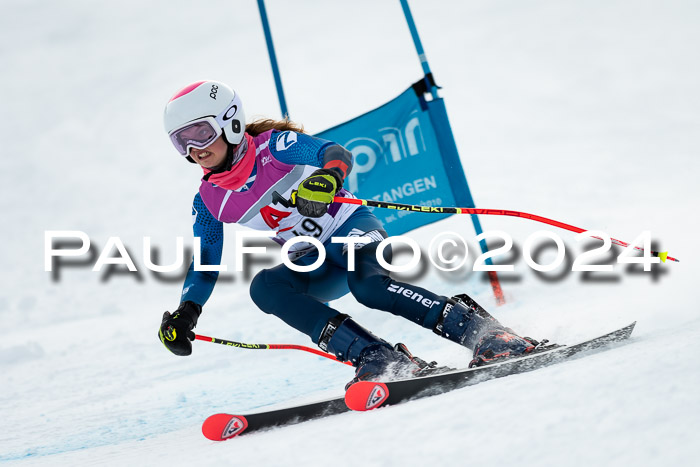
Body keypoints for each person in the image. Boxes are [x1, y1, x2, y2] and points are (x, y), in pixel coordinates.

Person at [157, 80, 538, 384]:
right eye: (181, 141)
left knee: (370, 287)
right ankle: (377, 356)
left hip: (354, 231)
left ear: (231, 122)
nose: (194, 148)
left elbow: (335, 153)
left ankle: (486, 333)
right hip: (314, 260)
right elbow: (206, 262)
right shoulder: (209, 200)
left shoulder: (274, 147)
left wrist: (328, 178)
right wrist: (188, 311)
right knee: (265, 287)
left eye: (201, 133)